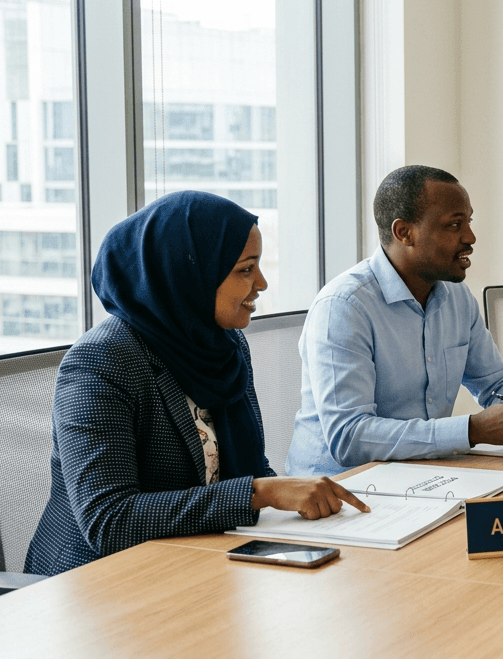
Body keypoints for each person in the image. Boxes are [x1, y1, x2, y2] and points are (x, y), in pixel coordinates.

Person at [26, 192, 366, 576]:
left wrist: (292, 497)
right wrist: (261, 494)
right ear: (188, 275)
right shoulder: (101, 363)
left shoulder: (224, 345)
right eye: (245, 269)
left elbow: (242, 469)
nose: (262, 283)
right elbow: (110, 519)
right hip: (97, 582)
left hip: (201, 560)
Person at [287, 166, 503, 476]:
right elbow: (349, 437)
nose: (470, 238)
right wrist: (471, 430)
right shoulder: (344, 307)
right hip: (340, 491)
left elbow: (496, 382)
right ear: (404, 232)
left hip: (425, 476)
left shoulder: (456, 298)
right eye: (454, 225)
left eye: (468, 222)